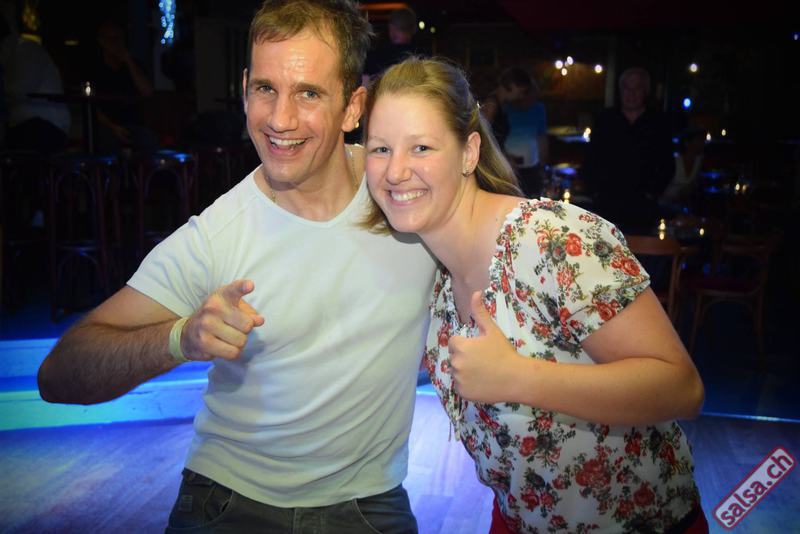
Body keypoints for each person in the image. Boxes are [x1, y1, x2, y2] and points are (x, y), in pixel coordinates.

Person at [37, 1, 436, 532]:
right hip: (227, 503)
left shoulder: (406, 193)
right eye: (265, 88)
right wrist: (180, 338)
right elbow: (59, 374)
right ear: (244, 88)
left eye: (309, 93)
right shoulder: (217, 234)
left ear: (352, 107)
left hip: (371, 502)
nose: (279, 119)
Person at [363, 57, 707, 533]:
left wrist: (516, 377)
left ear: (468, 153)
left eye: (421, 147)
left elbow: (682, 388)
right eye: (380, 148)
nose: (396, 170)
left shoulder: (552, 239)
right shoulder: (437, 275)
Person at [583, 66, 674, 234]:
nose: (631, 94)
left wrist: (652, 193)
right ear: (620, 91)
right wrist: (594, 191)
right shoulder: (606, 119)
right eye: (626, 88)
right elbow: (590, 159)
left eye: (637, 88)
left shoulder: (658, 123)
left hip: (642, 207)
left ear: (645, 92)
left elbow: (667, 164)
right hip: (606, 205)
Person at [1, 11, 70, 154]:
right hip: (33, 124)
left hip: (44, 124)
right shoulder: (17, 51)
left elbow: (18, 91)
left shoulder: (24, 50)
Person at [88, 18, 158, 153]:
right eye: (110, 39)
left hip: (134, 126)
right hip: (107, 126)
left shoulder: (133, 66)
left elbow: (148, 92)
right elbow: (91, 106)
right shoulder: (94, 69)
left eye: (118, 38)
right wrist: (113, 127)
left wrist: (128, 61)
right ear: (101, 41)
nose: (114, 43)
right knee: (106, 144)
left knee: (149, 143)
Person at [481, 67, 547, 198]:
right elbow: (484, 139)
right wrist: (504, 159)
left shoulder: (500, 105)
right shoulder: (492, 104)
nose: (521, 96)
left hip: (504, 163)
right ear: (511, 86)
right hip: (496, 167)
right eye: (521, 91)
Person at [659, 126, 706, 212]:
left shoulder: (699, 161)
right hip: (663, 206)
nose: (701, 144)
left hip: (682, 208)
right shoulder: (673, 161)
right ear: (687, 143)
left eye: (702, 140)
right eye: (698, 140)